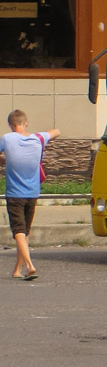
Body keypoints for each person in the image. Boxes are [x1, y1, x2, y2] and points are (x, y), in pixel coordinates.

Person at [1, 110, 59, 280]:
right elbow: (57, 131)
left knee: (18, 230)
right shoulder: (38, 138)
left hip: (15, 194)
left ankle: (29, 265)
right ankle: (17, 270)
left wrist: (6, 160)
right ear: (26, 123)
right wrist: (40, 137)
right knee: (25, 232)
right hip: (33, 193)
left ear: (11, 126)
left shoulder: (7, 138)